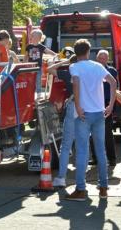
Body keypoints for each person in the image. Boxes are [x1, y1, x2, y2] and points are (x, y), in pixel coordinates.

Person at [65, 39, 117, 201]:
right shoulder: (98, 66)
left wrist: (79, 106)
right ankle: (103, 187)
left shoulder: (74, 67)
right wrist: (110, 105)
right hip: (99, 112)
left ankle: (81, 189)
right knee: (101, 151)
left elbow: (76, 84)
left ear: (76, 52)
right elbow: (113, 82)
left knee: (82, 152)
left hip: (84, 114)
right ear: (88, 52)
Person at [49, 55, 78, 188]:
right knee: (83, 144)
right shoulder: (88, 71)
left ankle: (61, 178)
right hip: (87, 108)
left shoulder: (68, 73)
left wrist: (64, 62)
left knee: (66, 145)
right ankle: (81, 179)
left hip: (73, 107)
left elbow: (49, 69)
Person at [89, 50, 117, 167]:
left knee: (107, 133)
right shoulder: (92, 70)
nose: (102, 60)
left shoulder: (111, 71)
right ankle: (95, 158)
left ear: (107, 59)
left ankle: (112, 159)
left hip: (106, 103)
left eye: (104, 58)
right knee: (92, 133)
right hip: (94, 103)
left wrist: (111, 105)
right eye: (100, 58)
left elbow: (114, 87)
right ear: (97, 58)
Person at [25, 29, 56, 94]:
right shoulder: (29, 46)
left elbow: (48, 51)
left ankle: (38, 92)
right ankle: (30, 92)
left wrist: (55, 54)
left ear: (39, 38)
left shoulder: (41, 47)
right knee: (30, 80)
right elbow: (26, 56)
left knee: (38, 80)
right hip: (31, 67)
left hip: (38, 67)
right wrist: (25, 64)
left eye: (34, 36)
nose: (32, 38)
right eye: (32, 36)